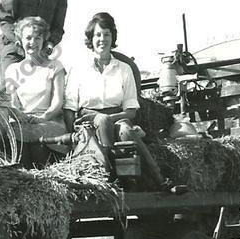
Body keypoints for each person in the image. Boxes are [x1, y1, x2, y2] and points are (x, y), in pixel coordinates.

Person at [63, 12, 167, 188]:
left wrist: (111, 119)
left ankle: (159, 179)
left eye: (107, 34)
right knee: (102, 121)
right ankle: (112, 179)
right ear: (91, 39)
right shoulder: (78, 69)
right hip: (88, 119)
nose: (102, 39)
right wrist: (72, 135)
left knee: (126, 131)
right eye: (97, 35)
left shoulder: (124, 69)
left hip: (117, 117)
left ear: (112, 37)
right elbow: (70, 107)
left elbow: (131, 110)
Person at [4, 16, 66, 165]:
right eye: (28, 38)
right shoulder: (13, 70)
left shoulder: (55, 66)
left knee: (38, 148)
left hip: (49, 122)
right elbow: (12, 102)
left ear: (43, 40)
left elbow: (58, 102)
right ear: (20, 41)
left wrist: (44, 117)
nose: (33, 42)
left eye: (38, 38)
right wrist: (20, 116)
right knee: (16, 143)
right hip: (23, 122)